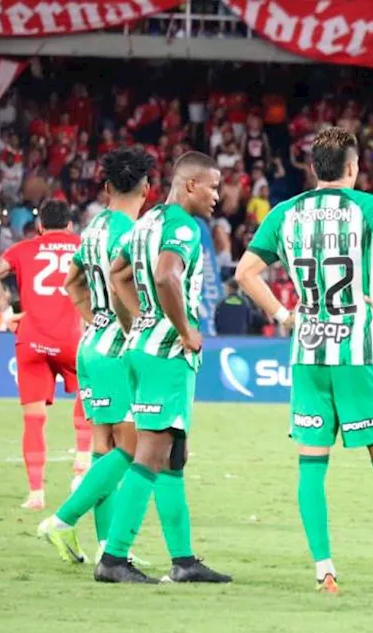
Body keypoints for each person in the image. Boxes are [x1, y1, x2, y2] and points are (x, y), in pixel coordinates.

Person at [234, 127, 373, 597]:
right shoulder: (372, 208)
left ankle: (324, 571)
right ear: (352, 167)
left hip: (308, 350)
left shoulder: (285, 213)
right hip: (359, 351)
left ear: (312, 169)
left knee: (311, 464)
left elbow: (246, 271)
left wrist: (284, 314)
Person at [96, 150, 232, 585]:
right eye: (212, 186)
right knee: (152, 453)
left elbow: (117, 275)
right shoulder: (182, 227)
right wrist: (184, 329)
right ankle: (113, 559)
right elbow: (166, 275)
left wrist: (139, 321)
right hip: (166, 355)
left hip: (143, 347)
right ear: (190, 184)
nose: (217, 195)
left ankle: (184, 559)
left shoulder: (147, 222)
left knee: (174, 454)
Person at [38, 146, 155, 565]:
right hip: (118, 349)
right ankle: (62, 520)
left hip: (91, 345)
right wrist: (130, 332)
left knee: (105, 447)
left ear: (106, 186)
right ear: (147, 187)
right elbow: (129, 290)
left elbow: (73, 283)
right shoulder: (133, 233)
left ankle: (108, 547)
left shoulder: (92, 229)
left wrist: (98, 319)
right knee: (135, 446)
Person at [0, 199, 92, 510]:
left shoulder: (22, 249)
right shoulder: (83, 246)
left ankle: (35, 495)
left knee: (34, 419)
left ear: (39, 226)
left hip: (31, 340)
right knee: (89, 391)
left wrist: (6, 312)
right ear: (70, 225)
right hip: (73, 337)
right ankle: (82, 465)